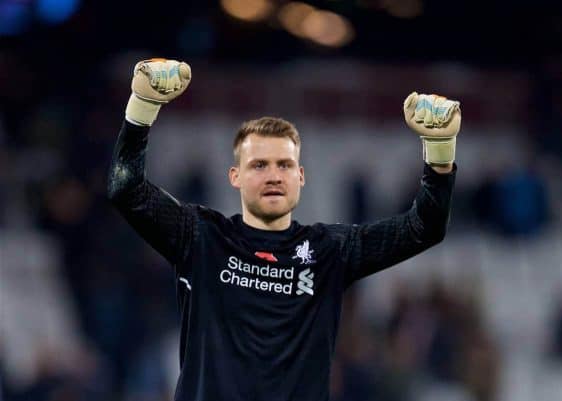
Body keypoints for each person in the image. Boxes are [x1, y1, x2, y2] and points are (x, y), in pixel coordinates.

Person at [107, 58, 460, 401]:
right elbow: (127, 189)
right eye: (259, 165)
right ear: (236, 177)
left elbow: (424, 228)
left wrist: (440, 156)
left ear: (300, 178)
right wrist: (142, 107)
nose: (274, 175)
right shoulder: (201, 237)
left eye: (285, 165)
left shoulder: (329, 251)